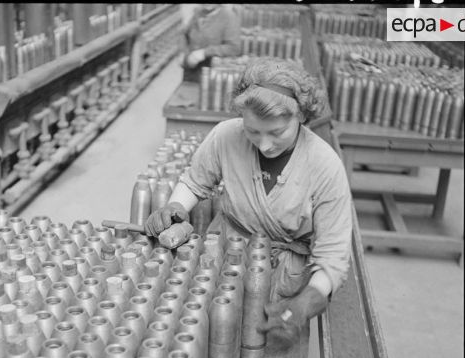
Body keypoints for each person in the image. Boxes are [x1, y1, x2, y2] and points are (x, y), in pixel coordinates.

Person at [145, 57, 352, 342]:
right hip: (223, 263)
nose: (264, 145)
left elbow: (333, 258)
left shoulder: (325, 166)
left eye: (277, 133)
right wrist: (175, 206)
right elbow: (194, 183)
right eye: (253, 131)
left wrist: (303, 305)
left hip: (284, 283)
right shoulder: (225, 136)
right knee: (208, 340)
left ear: (301, 116)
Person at [181, 4, 242, 82]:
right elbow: (184, 35)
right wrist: (183, 54)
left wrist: (205, 52)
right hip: (190, 73)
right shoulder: (196, 12)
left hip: (212, 77)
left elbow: (234, 48)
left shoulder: (229, 17)